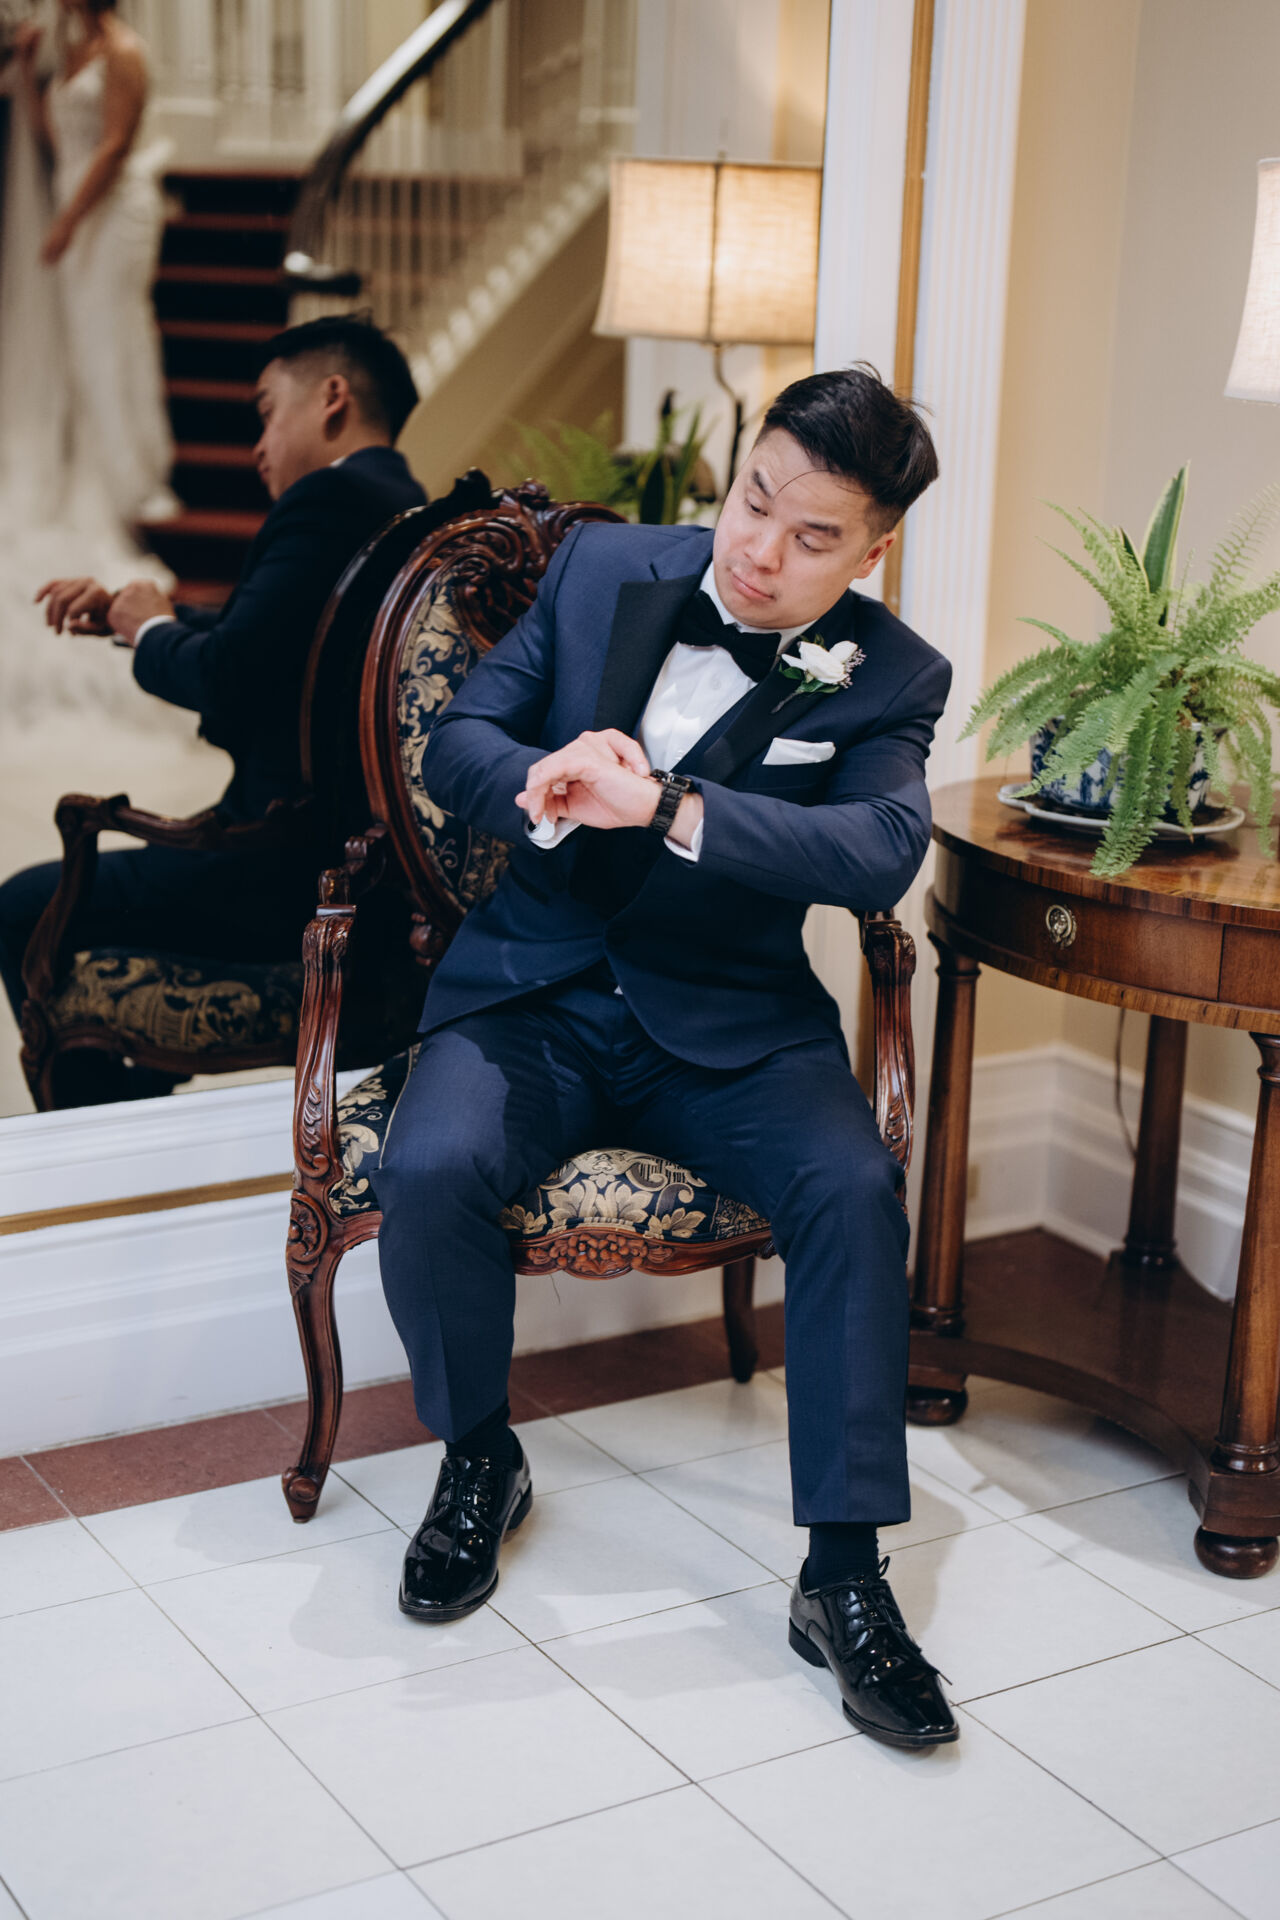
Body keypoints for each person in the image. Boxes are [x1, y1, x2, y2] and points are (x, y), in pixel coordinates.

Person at [371, 365, 960, 1751]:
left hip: (732, 1026)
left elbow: (876, 850)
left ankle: (842, 1575)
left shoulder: (892, 673)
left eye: (812, 537)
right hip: (532, 991)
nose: (758, 551)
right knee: (431, 1165)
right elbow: (459, 741)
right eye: (753, 501)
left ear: (872, 549)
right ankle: (480, 1459)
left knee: (851, 1191)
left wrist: (672, 805)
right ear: (738, 466)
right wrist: (540, 782)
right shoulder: (599, 572)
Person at [0, 314, 427, 1104]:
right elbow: (287, 641)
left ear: (332, 398)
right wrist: (141, 618)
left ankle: (103, 1129)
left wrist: (153, 629)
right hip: (357, 871)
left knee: (24, 907)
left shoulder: (324, 501)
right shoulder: (403, 504)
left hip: (278, 873)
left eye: (267, 413)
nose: (258, 447)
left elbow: (228, 677)